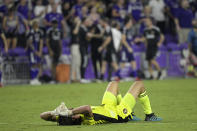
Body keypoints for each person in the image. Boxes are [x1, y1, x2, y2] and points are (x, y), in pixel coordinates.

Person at [40, 80, 162, 125]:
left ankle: (132, 114)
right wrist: (68, 112)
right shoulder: (86, 118)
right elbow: (87, 108)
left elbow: (43, 116)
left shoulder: (64, 119)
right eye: (72, 113)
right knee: (139, 84)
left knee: (114, 83)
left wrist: (54, 112)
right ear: (74, 117)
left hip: (107, 106)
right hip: (119, 114)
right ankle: (149, 115)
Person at [27, 20, 44, 85]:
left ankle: (36, 78)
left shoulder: (40, 32)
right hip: (32, 51)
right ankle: (32, 79)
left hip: (38, 51)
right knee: (33, 64)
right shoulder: (31, 32)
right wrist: (35, 51)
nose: (37, 25)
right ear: (33, 25)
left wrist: (40, 51)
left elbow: (41, 42)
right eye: (36, 24)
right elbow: (30, 43)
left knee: (38, 64)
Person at [70, 17, 81, 83]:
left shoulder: (78, 27)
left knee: (78, 62)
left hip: (78, 46)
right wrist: (77, 25)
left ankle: (78, 78)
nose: (78, 20)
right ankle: (72, 78)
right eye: (77, 19)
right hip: (74, 45)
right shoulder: (73, 26)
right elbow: (74, 32)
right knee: (74, 62)